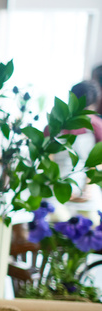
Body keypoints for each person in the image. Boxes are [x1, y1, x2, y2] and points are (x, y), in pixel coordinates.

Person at [50, 80, 102, 222]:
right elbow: (47, 160)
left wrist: (88, 188)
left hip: (87, 190)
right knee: (57, 218)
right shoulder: (55, 125)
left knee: (92, 221)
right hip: (57, 188)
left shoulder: (96, 126)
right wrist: (60, 187)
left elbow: (98, 162)